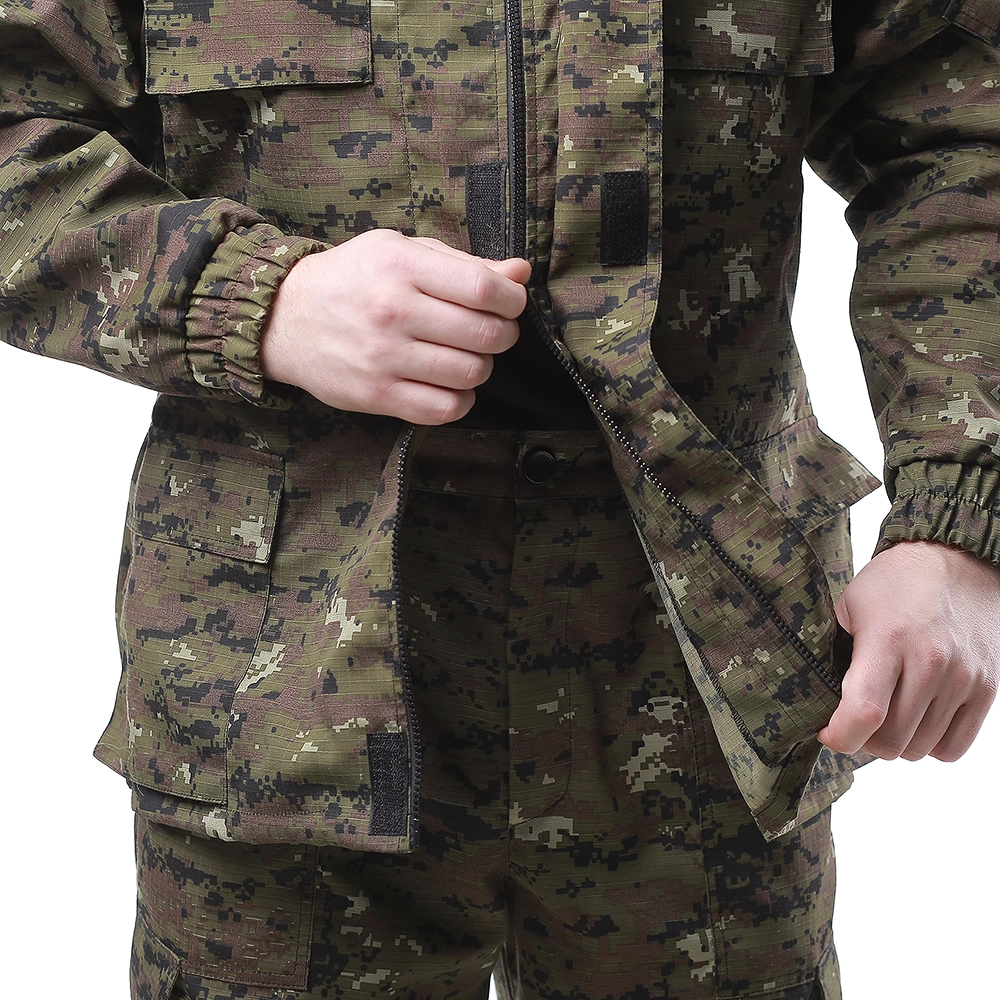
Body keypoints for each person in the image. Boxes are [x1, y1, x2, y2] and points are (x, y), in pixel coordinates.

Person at [1, 1, 998, 998]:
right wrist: (254, 297)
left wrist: (954, 517)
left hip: (710, 659)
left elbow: (962, 115)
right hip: (281, 669)